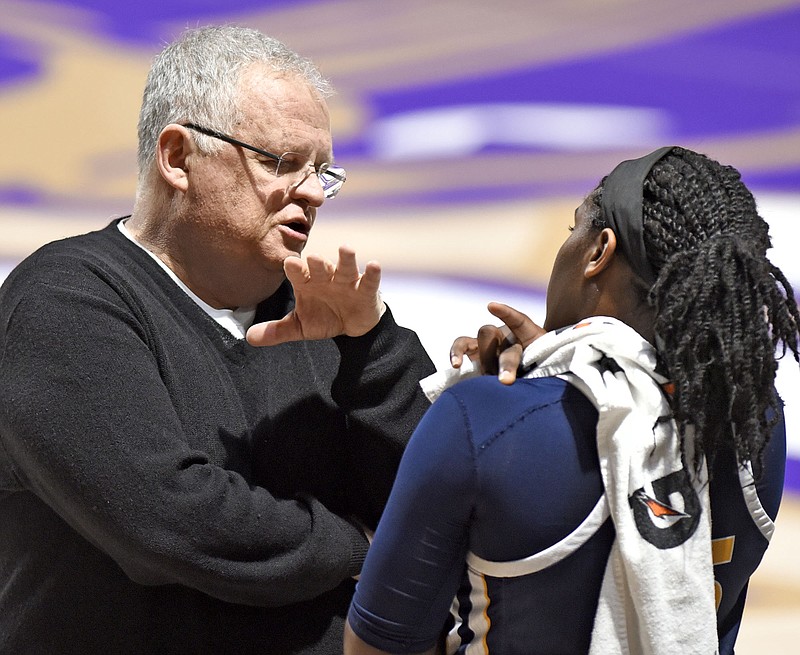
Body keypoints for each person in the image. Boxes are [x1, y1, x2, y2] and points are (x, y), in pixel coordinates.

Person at [0, 25, 438, 654]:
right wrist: (357, 547)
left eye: (324, 172)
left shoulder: (324, 316)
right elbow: (170, 519)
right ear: (178, 158)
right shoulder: (64, 299)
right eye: (282, 162)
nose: (314, 193)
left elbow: (429, 498)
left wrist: (374, 346)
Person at [344, 146, 800, 655]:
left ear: (599, 251)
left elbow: (376, 646)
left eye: (571, 230)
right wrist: (555, 366)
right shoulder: (757, 420)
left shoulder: (483, 421)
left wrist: (510, 399)